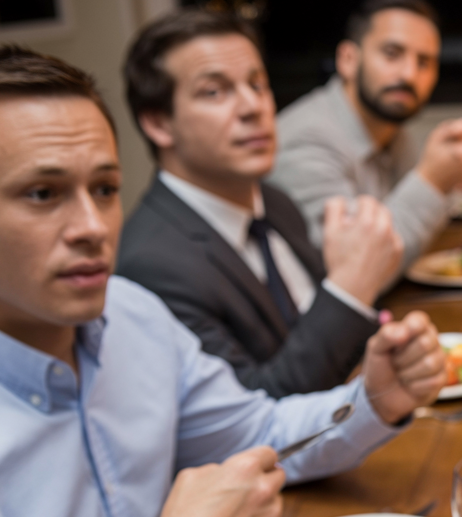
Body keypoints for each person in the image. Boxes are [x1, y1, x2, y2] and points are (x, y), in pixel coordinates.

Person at [0, 47, 445, 517]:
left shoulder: (134, 314)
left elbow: (257, 432)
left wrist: (373, 400)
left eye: (105, 189)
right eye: (42, 194)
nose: (91, 227)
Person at [117, 10, 404, 398]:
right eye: (214, 91)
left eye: (257, 84)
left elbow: (327, 342)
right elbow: (253, 412)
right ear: (158, 123)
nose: (254, 107)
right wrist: (351, 287)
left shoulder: (273, 202)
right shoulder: (152, 265)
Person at [267, 0, 462, 272]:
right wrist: (434, 181)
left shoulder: (394, 132)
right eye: (392, 53)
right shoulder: (304, 141)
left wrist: (456, 177)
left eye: (424, 62)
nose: (409, 74)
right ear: (348, 60)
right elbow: (355, 271)